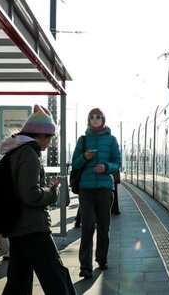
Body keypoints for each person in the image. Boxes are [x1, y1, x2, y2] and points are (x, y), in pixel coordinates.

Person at [1, 105, 75, 295]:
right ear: (40, 134)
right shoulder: (29, 154)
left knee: (18, 281)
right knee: (56, 276)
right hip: (32, 227)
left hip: (18, 226)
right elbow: (30, 195)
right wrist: (52, 193)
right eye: (49, 137)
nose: (49, 142)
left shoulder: (17, 151)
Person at [72, 108, 121, 279]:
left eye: (98, 117)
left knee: (103, 226)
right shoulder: (83, 140)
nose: (95, 119)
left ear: (103, 119)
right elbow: (75, 164)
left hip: (104, 189)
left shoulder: (112, 140)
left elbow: (117, 163)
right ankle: (85, 266)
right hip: (86, 189)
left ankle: (101, 259)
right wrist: (85, 157)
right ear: (88, 120)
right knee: (87, 227)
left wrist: (106, 167)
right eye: (92, 117)